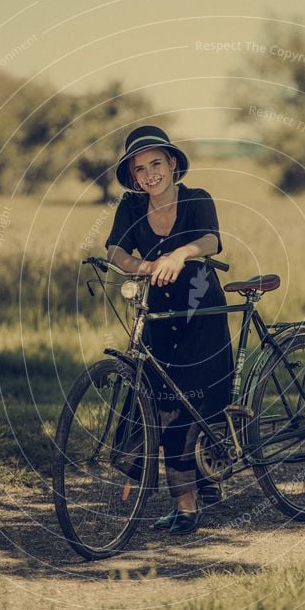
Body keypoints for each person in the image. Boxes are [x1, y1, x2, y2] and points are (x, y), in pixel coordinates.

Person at [105, 125, 233, 535]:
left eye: (155, 163)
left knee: (192, 404)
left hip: (201, 311)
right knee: (159, 404)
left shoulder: (197, 200)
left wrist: (180, 254)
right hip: (157, 311)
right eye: (139, 169)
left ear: (172, 163)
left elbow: (211, 240)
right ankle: (186, 507)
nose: (149, 174)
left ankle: (197, 496)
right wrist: (142, 267)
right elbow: (115, 251)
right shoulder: (129, 206)